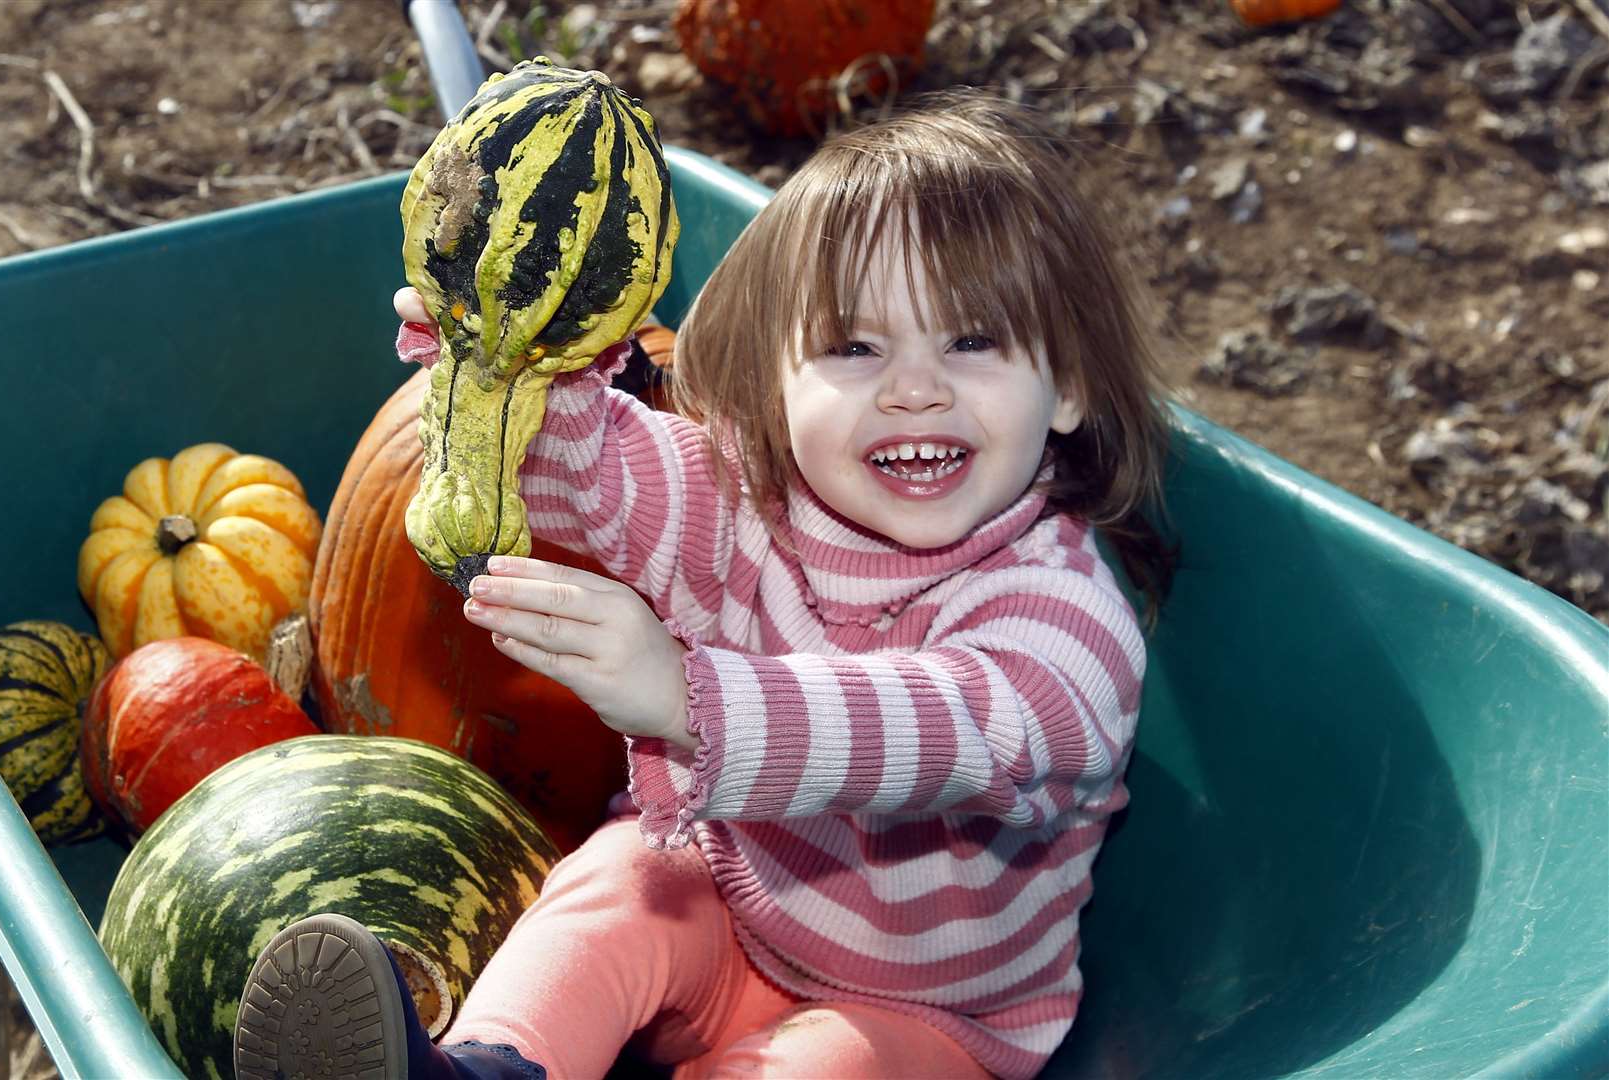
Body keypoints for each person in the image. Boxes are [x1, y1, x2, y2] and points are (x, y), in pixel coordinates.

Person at [234, 88, 1176, 1080]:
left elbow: (952, 731)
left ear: (1068, 384)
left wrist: (691, 697)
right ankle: (489, 1070)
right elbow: (594, 471)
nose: (914, 387)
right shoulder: (745, 505)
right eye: (855, 347)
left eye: (972, 341)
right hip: (725, 901)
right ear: (778, 384)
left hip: (926, 1020)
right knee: (620, 884)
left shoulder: (1069, 626)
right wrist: (497, 367)